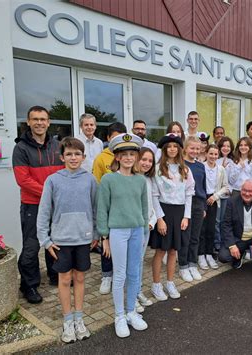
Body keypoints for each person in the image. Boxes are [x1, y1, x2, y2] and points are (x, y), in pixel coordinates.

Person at [36, 137, 98, 343]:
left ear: (83, 156)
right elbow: (44, 212)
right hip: (61, 240)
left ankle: (79, 319)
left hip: (83, 239)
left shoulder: (90, 179)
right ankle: (67, 320)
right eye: (69, 154)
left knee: (79, 279)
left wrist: (96, 233)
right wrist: (45, 240)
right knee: (64, 280)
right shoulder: (53, 180)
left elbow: (96, 209)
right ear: (62, 157)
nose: (73, 157)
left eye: (77, 154)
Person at [97, 133, 148, 338]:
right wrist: (104, 237)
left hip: (137, 230)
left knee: (134, 272)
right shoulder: (109, 179)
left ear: (136, 157)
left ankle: (130, 312)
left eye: (132, 154)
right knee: (120, 274)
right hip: (117, 231)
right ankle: (118, 315)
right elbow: (102, 209)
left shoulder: (140, 180)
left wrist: (144, 231)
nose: (128, 158)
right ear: (117, 157)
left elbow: (144, 208)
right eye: (124, 154)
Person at [12, 105, 64, 304]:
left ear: (49, 122)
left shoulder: (57, 145)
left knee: (55, 241)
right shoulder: (21, 148)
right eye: (35, 119)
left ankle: (54, 274)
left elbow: (64, 171)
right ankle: (29, 285)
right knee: (32, 246)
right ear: (28, 122)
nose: (39, 123)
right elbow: (23, 180)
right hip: (33, 205)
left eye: (43, 119)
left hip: (54, 205)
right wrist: (50, 193)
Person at [150, 134, 195, 301]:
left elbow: (189, 194)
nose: (172, 149)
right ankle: (156, 284)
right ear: (164, 149)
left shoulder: (185, 170)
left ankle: (170, 282)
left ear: (179, 149)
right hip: (164, 211)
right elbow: (154, 195)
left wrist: (186, 217)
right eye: (169, 146)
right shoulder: (158, 168)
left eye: (175, 146)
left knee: (173, 251)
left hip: (179, 213)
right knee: (161, 251)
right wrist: (160, 219)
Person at [92, 122, 128, 296]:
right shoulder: (101, 158)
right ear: (107, 138)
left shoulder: (129, 155)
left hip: (125, 209)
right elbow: (97, 183)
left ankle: (121, 274)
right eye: (114, 138)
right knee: (106, 242)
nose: (117, 141)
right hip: (108, 207)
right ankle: (107, 275)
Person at [180, 136, 207, 282]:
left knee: (195, 236)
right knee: (186, 236)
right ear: (185, 148)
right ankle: (183, 266)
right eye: (192, 148)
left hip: (198, 203)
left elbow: (203, 187)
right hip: (184, 203)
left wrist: (203, 207)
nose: (195, 151)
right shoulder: (180, 164)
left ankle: (192, 264)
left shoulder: (200, 166)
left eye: (197, 148)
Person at [198, 144, 229, 270]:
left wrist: (215, 196)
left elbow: (226, 187)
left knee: (211, 228)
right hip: (201, 199)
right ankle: (200, 255)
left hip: (214, 200)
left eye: (216, 154)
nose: (213, 156)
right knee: (201, 229)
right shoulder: (201, 167)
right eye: (211, 153)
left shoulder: (221, 169)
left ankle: (209, 254)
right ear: (206, 154)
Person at [136, 148, 157, 310]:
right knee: (132, 263)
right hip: (134, 227)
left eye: (150, 161)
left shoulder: (150, 180)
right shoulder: (132, 179)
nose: (147, 163)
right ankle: (131, 295)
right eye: (144, 159)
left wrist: (152, 221)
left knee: (140, 261)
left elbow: (153, 205)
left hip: (147, 226)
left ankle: (137, 291)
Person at [214, 136, 235, 252]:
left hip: (226, 195)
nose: (226, 148)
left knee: (224, 221)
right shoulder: (215, 158)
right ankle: (216, 243)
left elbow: (232, 180)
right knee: (216, 221)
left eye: (228, 146)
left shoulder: (232, 161)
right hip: (216, 195)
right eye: (223, 146)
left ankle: (223, 242)